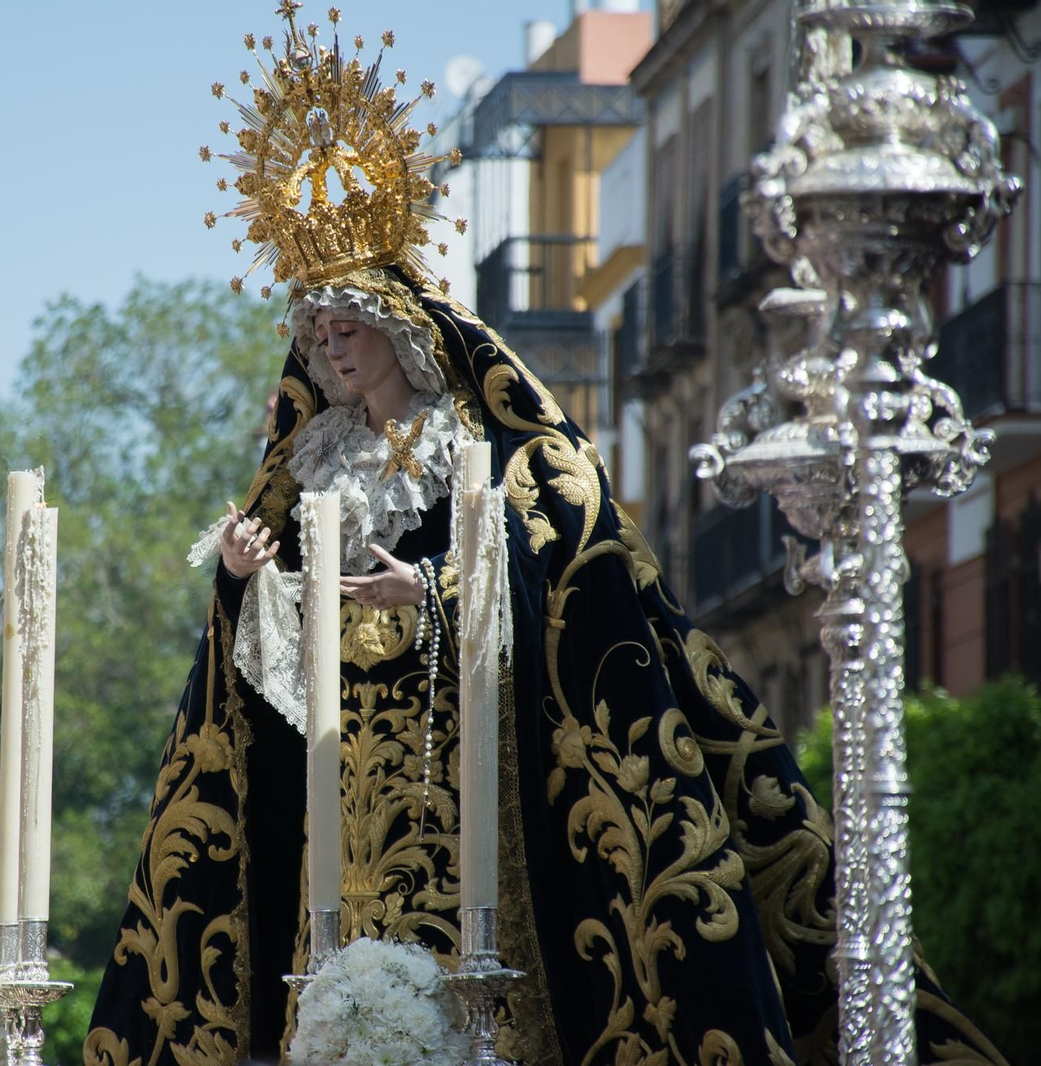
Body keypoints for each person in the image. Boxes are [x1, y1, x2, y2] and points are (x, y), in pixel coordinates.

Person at [84, 9, 1003, 1066]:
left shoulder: (484, 450)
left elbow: (556, 576)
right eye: (317, 335)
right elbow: (267, 676)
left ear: (397, 327)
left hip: (468, 775)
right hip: (337, 791)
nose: (331, 351)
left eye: (347, 328)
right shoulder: (309, 469)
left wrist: (432, 591)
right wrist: (247, 582)